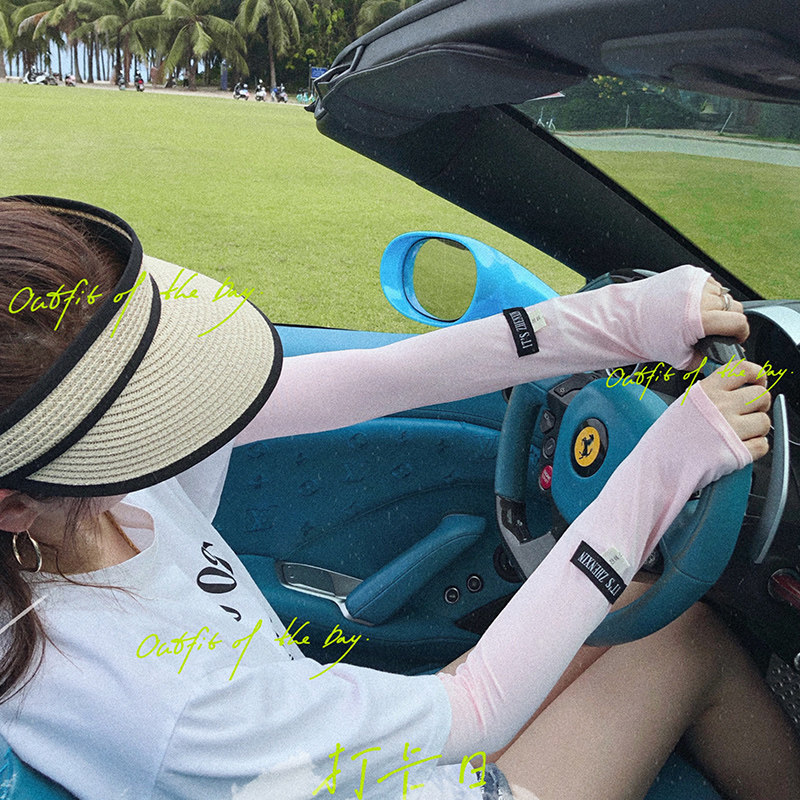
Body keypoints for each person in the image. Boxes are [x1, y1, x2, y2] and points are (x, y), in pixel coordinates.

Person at [0, 195, 797, 800]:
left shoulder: (83, 484)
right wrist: (659, 475)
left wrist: (613, 323)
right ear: (13, 505)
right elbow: (477, 707)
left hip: (340, 754)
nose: (173, 404)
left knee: (643, 602)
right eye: (139, 410)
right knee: (684, 642)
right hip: (418, 764)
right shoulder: (162, 702)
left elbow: (376, 380)